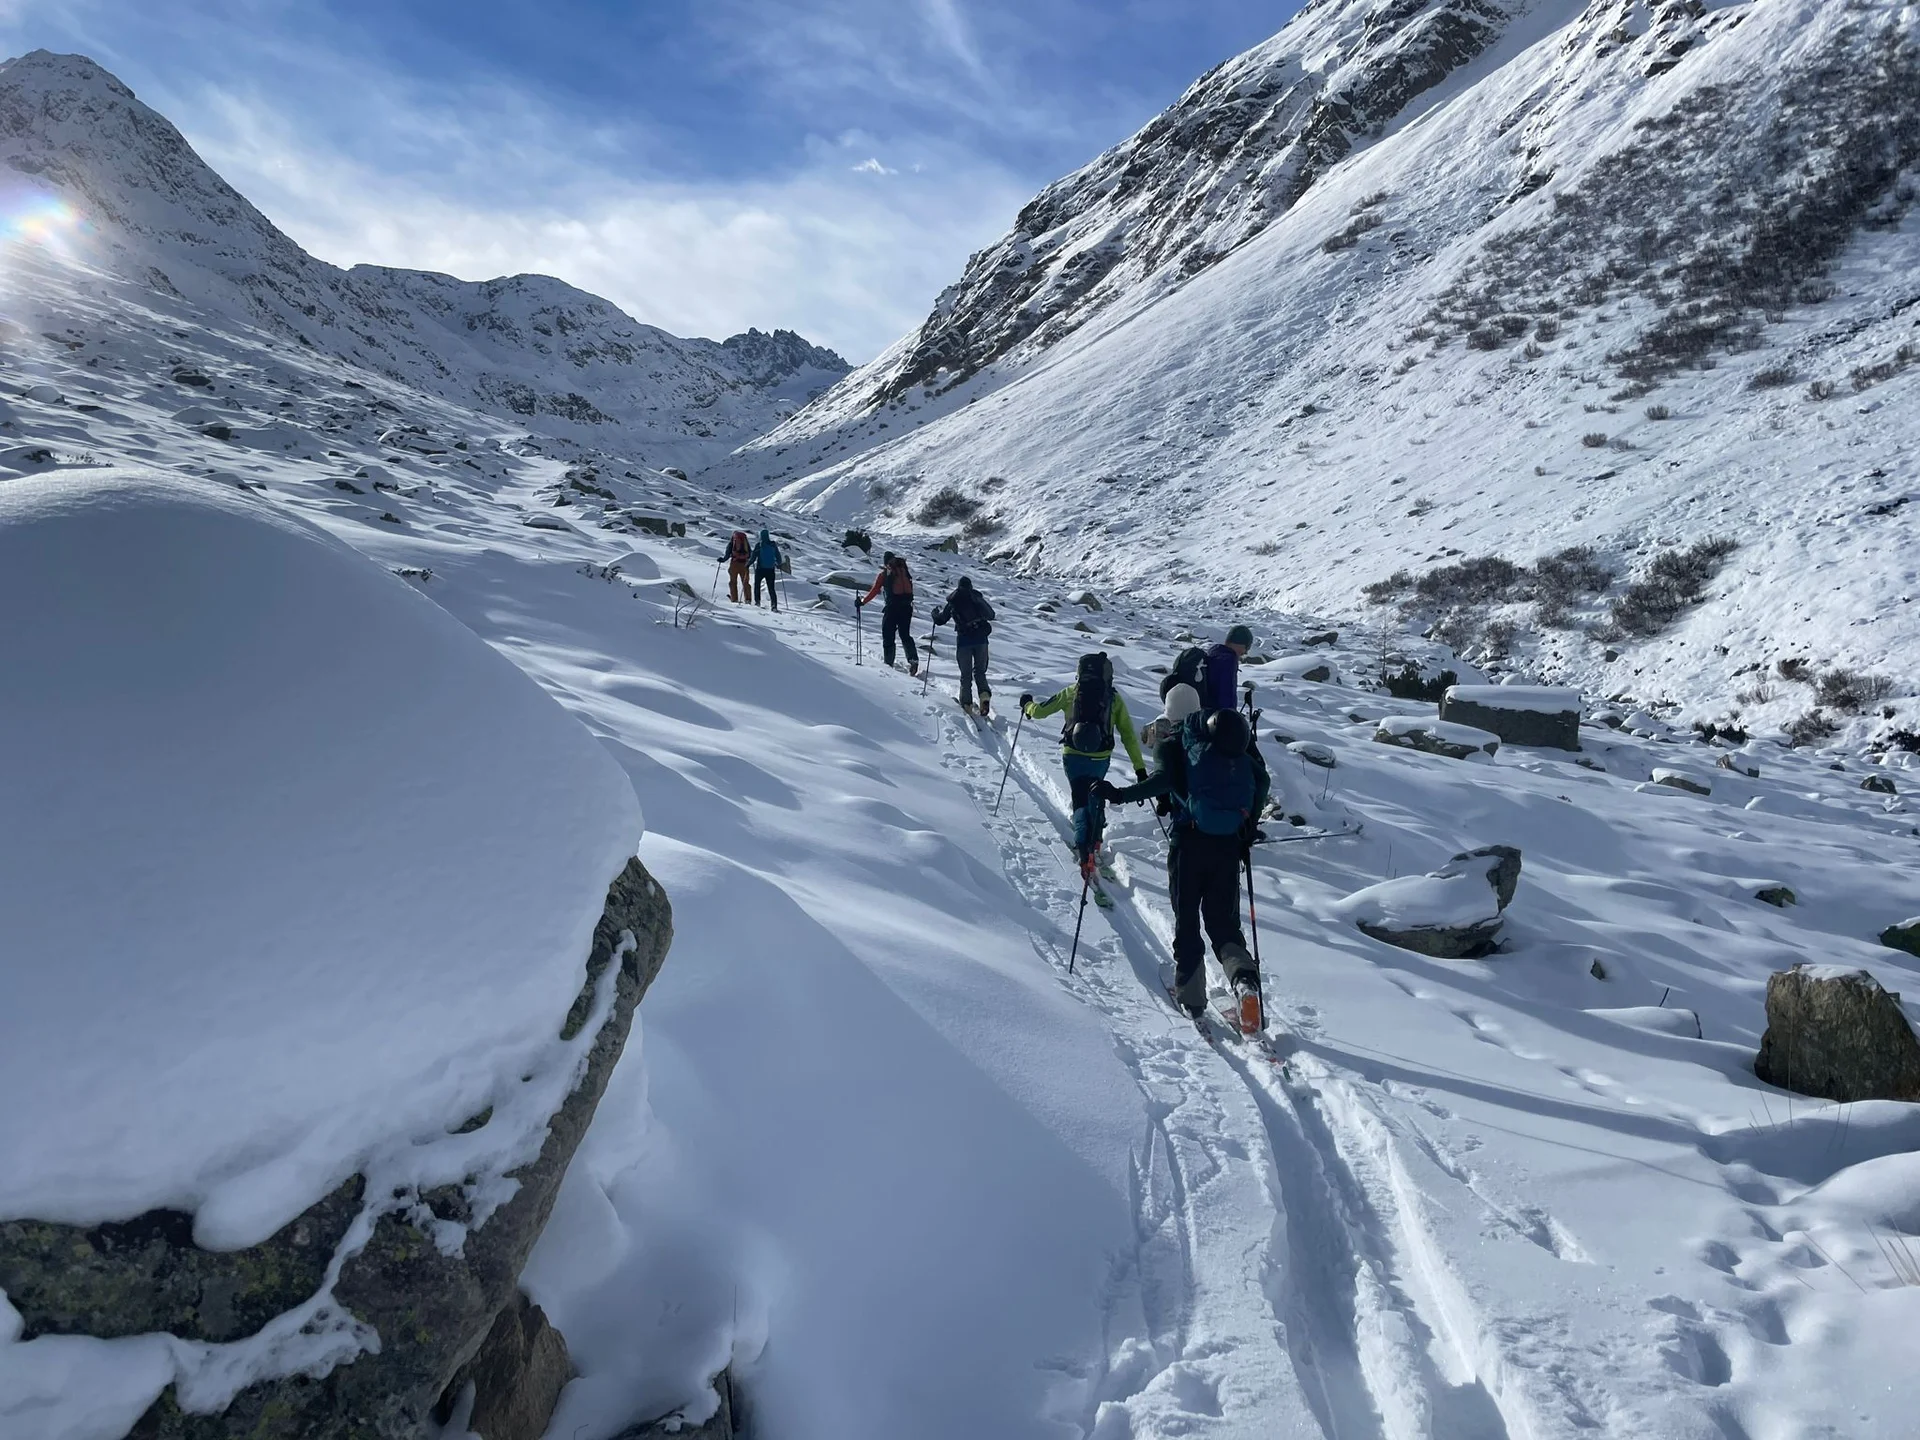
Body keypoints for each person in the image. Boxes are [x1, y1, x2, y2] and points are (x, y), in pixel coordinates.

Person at [1098, 689, 1271, 1032]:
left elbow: (1162, 781)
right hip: (1228, 847)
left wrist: (1119, 794)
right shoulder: (1227, 740)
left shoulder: (1174, 743)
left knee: (1188, 918)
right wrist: (1249, 826)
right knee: (1224, 925)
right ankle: (1245, 983)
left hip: (1189, 845)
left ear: (1169, 713)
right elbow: (1262, 779)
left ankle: (1192, 997)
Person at [1020, 652, 1147, 880]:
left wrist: (1027, 704)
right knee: (1095, 796)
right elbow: (1128, 735)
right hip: (1100, 758)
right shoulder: (1114, 699)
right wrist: (1139, 768)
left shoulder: (1071, 693)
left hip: (1073, 756)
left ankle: (1082, 848)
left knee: (1079, 798)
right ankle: (1095, 843)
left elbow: (1040, 712)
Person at [932, 575, 994, 715]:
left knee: (965, 675)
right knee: (980, 672)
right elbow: (991, 614)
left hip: (964, 641)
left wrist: (934, 614)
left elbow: (941, 620)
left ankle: (966, 704)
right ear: (970, 586)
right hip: (981, 640)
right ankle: (984, 698)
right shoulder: (976, 597)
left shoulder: (954, 600)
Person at [859, 551, 919, 675]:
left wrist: (863, 602)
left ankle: (889, 662)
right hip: (907, 608)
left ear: (886, 562)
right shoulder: (904, 571)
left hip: (892, 608)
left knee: (888, 634)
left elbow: (875, 590)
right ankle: (913, 660)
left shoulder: (885, 574)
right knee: (905, 635)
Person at [1195, 624, 1253, 713]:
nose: (1245, 652)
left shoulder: (1213, 653)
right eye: (1246, 648)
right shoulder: (1229, 659)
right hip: (1216, 717)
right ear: (1240, 644)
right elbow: (1225, 694)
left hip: (1202, 713)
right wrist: (1230, 716)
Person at [753, 528, 783, 611]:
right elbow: (778, 556)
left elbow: (753, 557)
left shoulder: (759, 545)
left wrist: (747, 564)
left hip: (760, 569)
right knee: (771, 588)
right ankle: (774, 606)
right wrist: (778, 564)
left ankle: (757, 602)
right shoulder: (773, 545)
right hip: (770, 569)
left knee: (757, 586)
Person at [719, 529, 753, 603]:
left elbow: (727, 554)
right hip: (744, 564)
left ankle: (734, 598)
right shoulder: (746, 543)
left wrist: (722, 560)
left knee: (733, 582)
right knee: (745, 582)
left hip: (734, 563)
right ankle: (748, 599)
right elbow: (750, 554)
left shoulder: (732, 543)